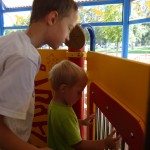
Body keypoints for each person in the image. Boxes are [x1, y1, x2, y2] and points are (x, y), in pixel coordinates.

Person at [0, 0, 78, 149]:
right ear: (52, 18)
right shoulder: (25, 58)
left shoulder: (12, 42)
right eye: (69, 28)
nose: (68, 37)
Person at [48, 60, 121, 150]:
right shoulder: (65, 115)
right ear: (63, 89)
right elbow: (79, 145)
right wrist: (105, 143)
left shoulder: (54, 105)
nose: (81, 96)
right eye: (79, 92)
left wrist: (81, 122)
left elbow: (63, 125)